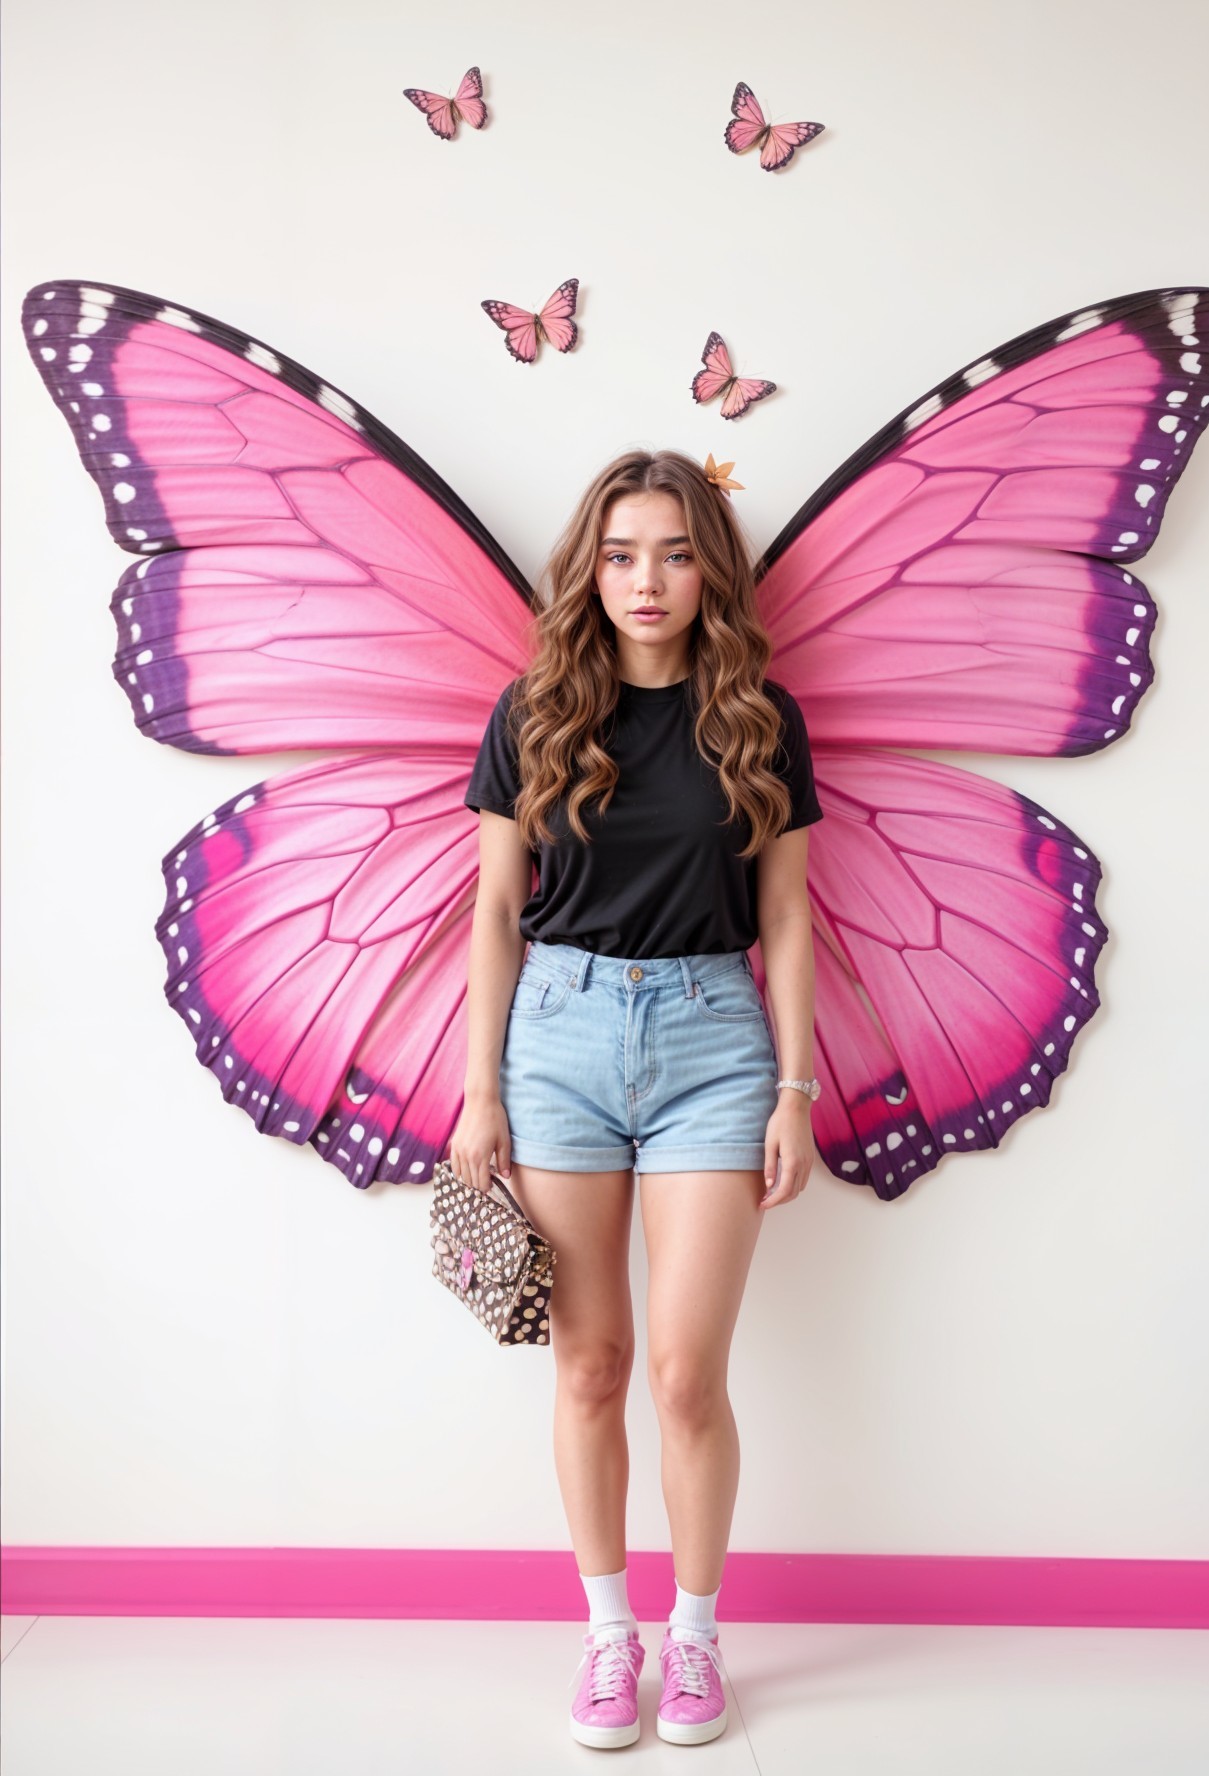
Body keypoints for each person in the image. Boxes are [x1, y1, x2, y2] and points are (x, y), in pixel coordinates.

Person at [451, 447, 823, 1749]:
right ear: (589, 569)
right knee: (592, 1364)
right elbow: (496, 910)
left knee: (684, 1375)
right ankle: (610, 1638)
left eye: (671, 552)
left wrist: (793, 1087)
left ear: (706, 566)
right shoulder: (536, 709)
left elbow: (786, 914)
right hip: (556, 1038)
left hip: (717, 1042)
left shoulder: (759, 717)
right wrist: (477, 1093)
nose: (645, 579)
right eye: (619, 554)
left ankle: (698, 1641)